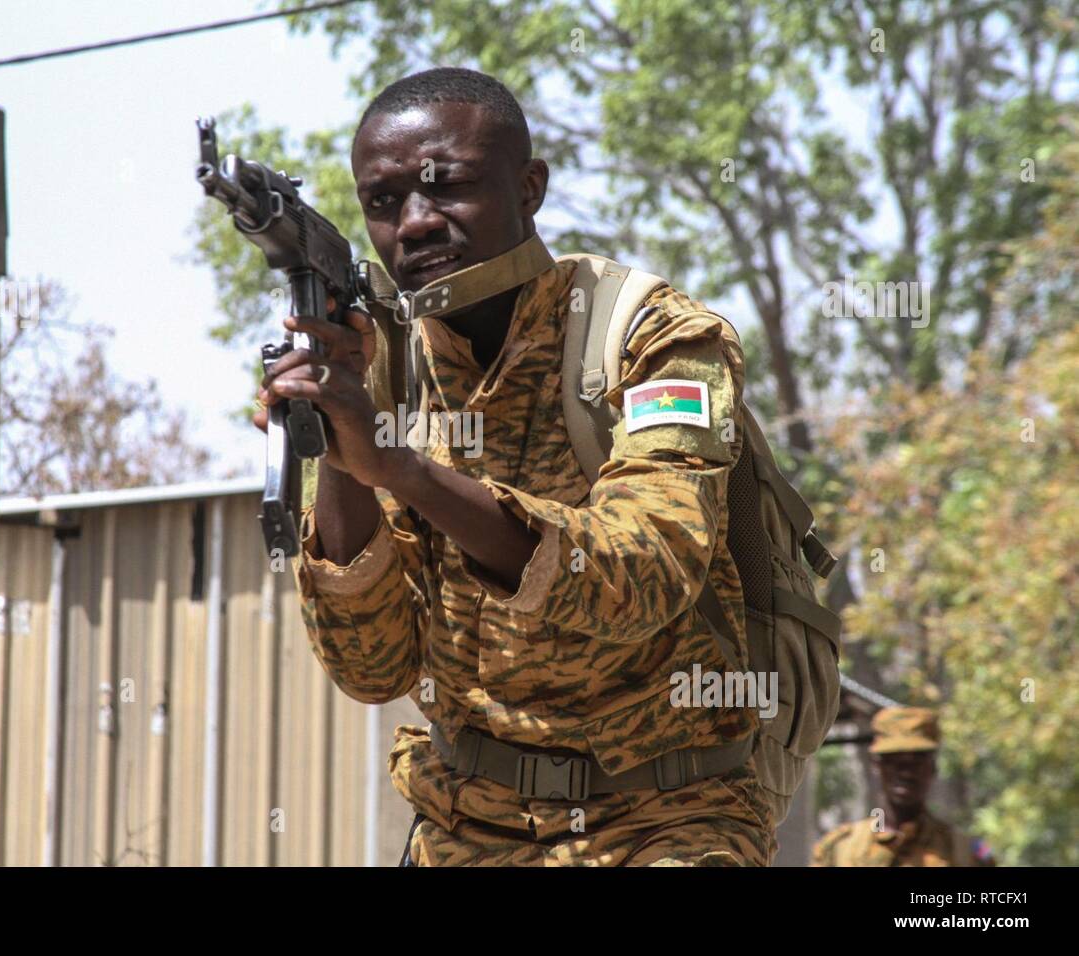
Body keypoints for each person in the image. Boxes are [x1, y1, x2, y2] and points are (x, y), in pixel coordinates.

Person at [254, 67, 772, 866]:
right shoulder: (396, 374)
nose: (415, 225)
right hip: (468, 829)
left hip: (668, 819)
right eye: (384, 204)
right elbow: (373, 666)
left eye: (447, 188)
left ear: (529, 187)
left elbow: (647, 575)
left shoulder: (655, 338)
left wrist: (404, 468)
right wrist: (348, 448)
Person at [811, 706, 995, 866]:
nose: (906, 773)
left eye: (916, 762)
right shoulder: (839, 850)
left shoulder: (966, 853)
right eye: (895, 761)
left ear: (932, 767)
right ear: (877, 765)